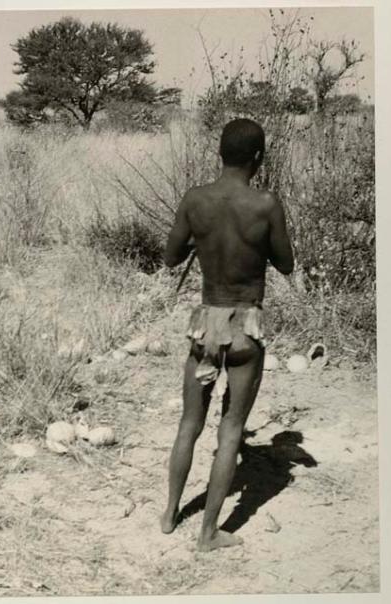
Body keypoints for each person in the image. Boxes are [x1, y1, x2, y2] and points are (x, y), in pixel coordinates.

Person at [160, 118, 294, 552]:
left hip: (205, 324)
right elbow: (286, 263)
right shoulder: (266, 203)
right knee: (231, 429)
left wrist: (204, 238)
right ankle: (208, 534)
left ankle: (169, 515)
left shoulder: (195, 199)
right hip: (243, 326)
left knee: (188, 424)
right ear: (259, 157)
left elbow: (170, 257)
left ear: (219, 153)